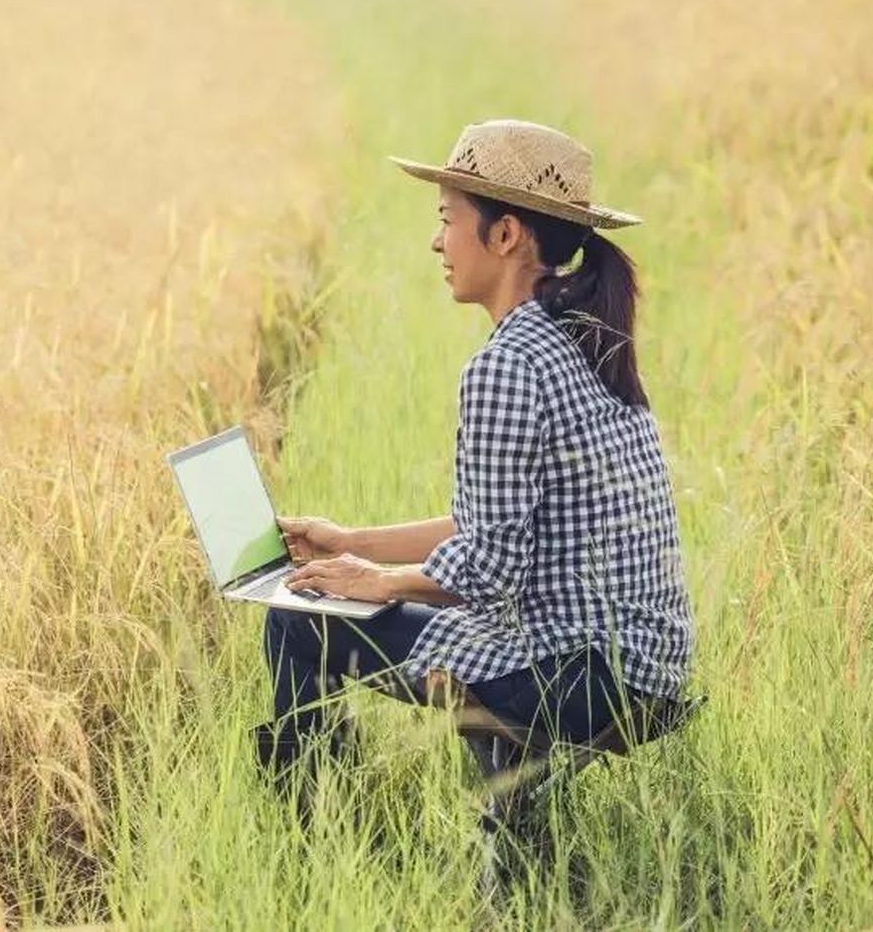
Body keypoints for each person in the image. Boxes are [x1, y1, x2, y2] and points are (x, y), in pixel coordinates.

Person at [255, 118, 696, 807]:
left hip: (576, 676)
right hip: (645, 670)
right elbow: (488, 527)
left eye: (447, 219)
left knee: (297, 616)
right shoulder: (582, 341)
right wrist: (350, 543)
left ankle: (307, 829)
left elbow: (488, 570)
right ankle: (509, 827)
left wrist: (376, 582)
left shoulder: (507, 365)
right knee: (377, 600)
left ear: (506, 235)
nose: (437, 240)